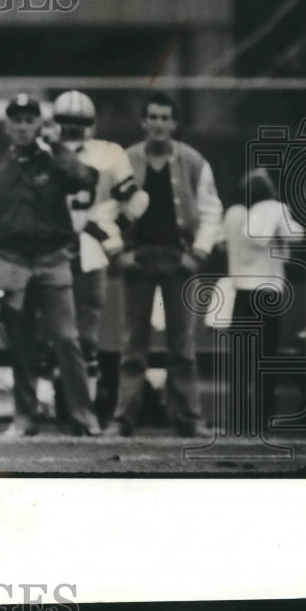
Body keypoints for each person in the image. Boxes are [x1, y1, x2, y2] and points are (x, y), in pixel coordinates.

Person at [0, 93, 102, 437]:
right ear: (7, 126)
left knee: (67, 338)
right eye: (17, 120)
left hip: (53, 258)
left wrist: (57, 147)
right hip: (12, 262)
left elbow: (85, 179)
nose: (23, 127)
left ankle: (83, 417)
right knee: (21, 343)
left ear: (40, 125)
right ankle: (25, 418)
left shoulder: (54, 163)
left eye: (30, 120)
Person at [107, 92, 222, 438]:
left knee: (182, 345)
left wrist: (197, 253)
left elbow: (211, 209)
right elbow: (105, 210)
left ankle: (189, 418)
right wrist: (118, 252)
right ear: (144, 121)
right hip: (138, 258)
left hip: (178, 259)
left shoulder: (193, 161)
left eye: (164, 117)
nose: (158, 123)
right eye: (153, 117)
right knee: (133, 345)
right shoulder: (125, 161)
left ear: (174, 123)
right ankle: (123, 418)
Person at [50, 90, 149, 424]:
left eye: (77, 122)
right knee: (55, 333)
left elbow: (136, 202)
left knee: (87, 334)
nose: (72, 128)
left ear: (91, 124)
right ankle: (61, 399)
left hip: (92, 249)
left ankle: (84, 406)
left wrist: (111, 228)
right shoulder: (45, 152)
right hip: (50, 249)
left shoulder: (108, 153)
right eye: (66, 121)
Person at [221, 169, 306, 431]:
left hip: (241, 291)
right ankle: (263, 415)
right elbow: (296, 234)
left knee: (240, 359)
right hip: (267, 290)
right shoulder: (273, 210)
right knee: (265, 355)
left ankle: (237, 417)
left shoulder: (233, 214)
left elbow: (226, 243)